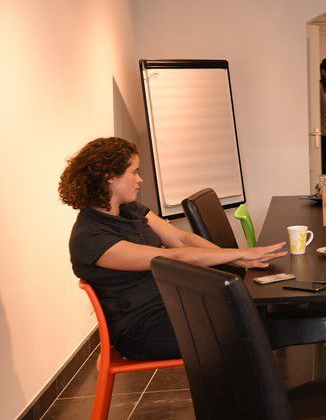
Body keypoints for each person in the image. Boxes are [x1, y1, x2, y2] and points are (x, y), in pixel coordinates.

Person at [60, 137, 286, 360]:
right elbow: (170, 257)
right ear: (109, 177)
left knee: (254, 314)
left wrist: (237, 259)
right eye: (134, 172)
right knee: (245, 328)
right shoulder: (90, 237)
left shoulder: (131, 209)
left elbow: (181, 239)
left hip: (172, 305)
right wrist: (239, 253)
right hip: (141, 329)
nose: (139, 179)